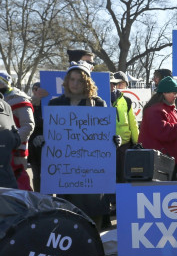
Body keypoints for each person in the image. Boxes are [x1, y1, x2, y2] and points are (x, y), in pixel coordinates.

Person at [47, 62, 112, 230]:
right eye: (72, 80)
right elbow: (46, 132)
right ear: (67, 81)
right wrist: (41, 139)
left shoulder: (98, 104)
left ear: (87, 83)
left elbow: (105, 133)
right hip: (67, 173)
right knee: (69, 219)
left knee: (93, 218)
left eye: (80, 81)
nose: (75, 84)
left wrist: (113, 140)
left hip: (92, 172)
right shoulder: (55, 105)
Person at [139, 76, 177, 177]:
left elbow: (172, 128)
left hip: (165, 160)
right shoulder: (155, 110)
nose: (176, 96)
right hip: (159, 162)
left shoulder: (168, 108)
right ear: (164, 93)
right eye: (174, 93)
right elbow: (162, 132)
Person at [0, 72, 34, 190]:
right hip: (3, 149)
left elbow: (28, 125)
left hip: (16, 150)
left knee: (19, 184)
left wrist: (13, 140)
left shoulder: (20, 100)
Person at [109, 72, 139, 183]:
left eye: (114, 84)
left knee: (124, 177)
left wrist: (136, 142)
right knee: (109, 178)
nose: (112, 86)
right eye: (109, 84)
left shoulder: (126, 100)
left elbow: (133, 122)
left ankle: (121, 200)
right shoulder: (98, 100)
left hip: (124, 145)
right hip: (105, 146)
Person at [0, 94, 21, 188]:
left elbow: (16, 139)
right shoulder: (6, 105)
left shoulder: (6, 106)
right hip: (6, 178)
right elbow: (16, 139)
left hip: (6, 177)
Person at [28, 82, 44, 192]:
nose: (36, 91)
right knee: (36, 174)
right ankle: (38, 198)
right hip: (33, 147)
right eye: (34, 89)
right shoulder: (28, 105)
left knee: (48, 174)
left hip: (47, 145)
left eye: (38, 89)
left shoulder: (48, 105)